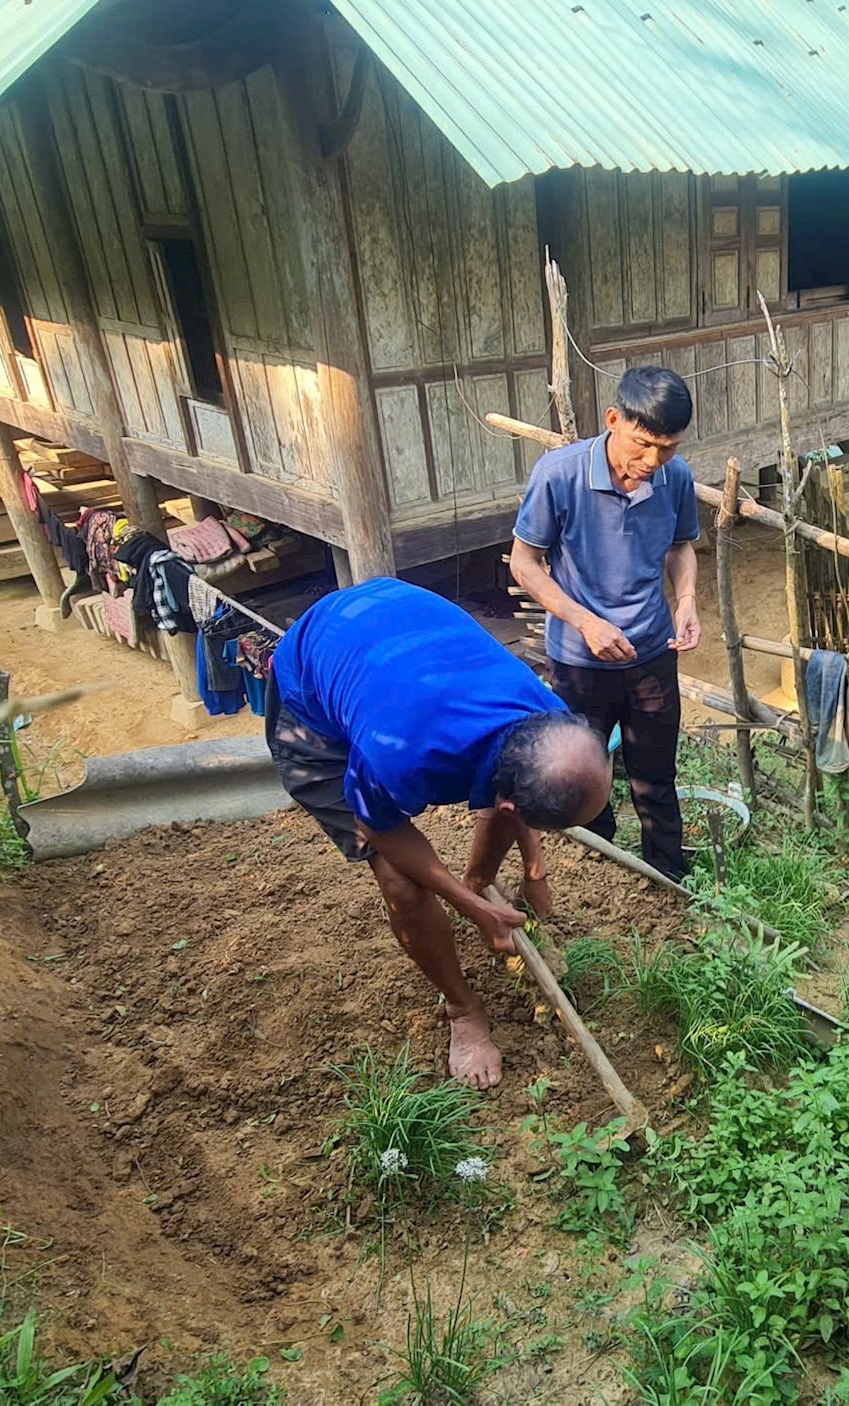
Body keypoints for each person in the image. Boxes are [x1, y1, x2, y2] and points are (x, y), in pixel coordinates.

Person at [266, 578, 610, 1089]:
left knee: (484, 836)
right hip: (313, 693)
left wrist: (534, 869)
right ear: (511, 803)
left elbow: (513, 800)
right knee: (402, 885)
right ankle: (462, 1010)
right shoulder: (401, 754)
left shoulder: (555, 724)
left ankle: (477, 887)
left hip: (395, 630)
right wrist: (472, 908)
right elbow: (378, 828)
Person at [509, 366, 701, 881]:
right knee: (584, 768)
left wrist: (685, 600)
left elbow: (682, 545)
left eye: (668, 448)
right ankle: (603, 870)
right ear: (613, 419)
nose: (653, 461)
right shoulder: (560, 474)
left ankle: (666, 872)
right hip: (579, 659)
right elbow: (523, 562)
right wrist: (585, 622)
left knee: (656, 772)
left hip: (651, 652)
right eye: (642, 445)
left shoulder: (674, 478)